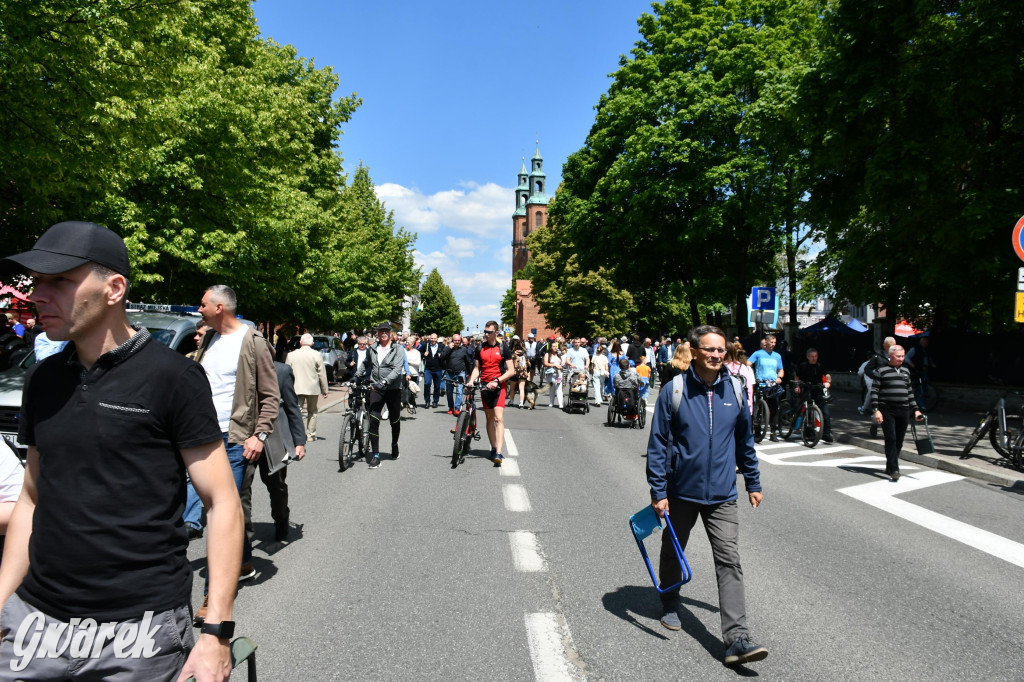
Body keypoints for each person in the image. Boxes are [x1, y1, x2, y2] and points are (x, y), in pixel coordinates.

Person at [0, 221, 243, 680]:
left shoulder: (175, 377)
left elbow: (221, 502)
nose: (37, 295)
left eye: (59, 282)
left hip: (140, 631)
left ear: (114, 288)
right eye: (37, 283)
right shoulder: (42, 379)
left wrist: (216, 632)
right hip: (35, 619)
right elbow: (32, 499)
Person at [646, 325, 767, 667]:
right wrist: (658, 490)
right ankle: (669, 601)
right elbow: (658, 445)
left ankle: (737, 638)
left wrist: (753, 482)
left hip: (723, 494)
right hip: (681, 490)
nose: (716, 355)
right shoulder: (676, 389)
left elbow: (745, 441)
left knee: (729, 560)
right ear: (695, 351)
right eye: (709, 350)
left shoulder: (736, 389)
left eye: (720, 350)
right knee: (673, 550)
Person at [192, 284, 279, 615]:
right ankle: (242, 562)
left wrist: (259, 434)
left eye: (202, 304)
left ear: (219, 308)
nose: (198, 309)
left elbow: (271, 396)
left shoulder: (253, 342)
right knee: (231, 511)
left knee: (222, 513)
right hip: (201, 437)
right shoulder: (209, 340)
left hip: (236, 439)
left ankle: (213, 596)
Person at [241, 356, 306, 545]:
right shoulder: (235, 370)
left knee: (276, 486)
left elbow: (292, 407)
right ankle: (244, 540)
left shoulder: (282, 371)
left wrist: (299, 441)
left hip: (275, 439)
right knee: (242, 488)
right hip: (243, 439)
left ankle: (281, 518)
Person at [352, 322, 407, 469]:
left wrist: (385, 381)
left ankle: (394, 444)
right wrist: (356, 375)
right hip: (376, 388)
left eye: (386, 331)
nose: (383, 333)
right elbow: (365, 363)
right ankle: (376, 455)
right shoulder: (373, 348)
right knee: (374, 419)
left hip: (393, 389)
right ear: (377, 333)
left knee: (395, 420)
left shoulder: (397, 349)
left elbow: (397, 369)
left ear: (391, 333)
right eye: (381, 330)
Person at [871, 345, 924, 481]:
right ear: (890, 356)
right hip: (887, 410)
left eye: (902, 356)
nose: (901, 359)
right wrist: (876, 410)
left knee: (899, 441)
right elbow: (875, 392)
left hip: (904, 410)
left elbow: (910, 393)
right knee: (891, 438)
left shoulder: (906, 371)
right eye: (898, 356)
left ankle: (889, 466)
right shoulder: (881, 371)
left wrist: (916, 410)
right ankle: (895, 469)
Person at [468, 321, 515, 466]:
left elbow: (511, 371)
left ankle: (499, 452)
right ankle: (493, 447)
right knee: (489, 418)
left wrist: (497, 380)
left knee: (498, 418)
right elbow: (477, 369)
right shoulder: (479, 347)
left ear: (496, 332)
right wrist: (471, 381)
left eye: (489, 332)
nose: (486, 334)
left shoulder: (503, 347)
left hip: (498, 386)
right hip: (484, 386)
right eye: (485, 332)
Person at [286, 333, 329, 442]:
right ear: (313, 344)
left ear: (300, 342)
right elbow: (322, 374)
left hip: (296, 387)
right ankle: (310, 435)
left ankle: (296, 435)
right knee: (312, 412)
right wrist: (325, 389)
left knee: (297, 412)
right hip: (312, 387)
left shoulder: (291, 355)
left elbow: (286, 373)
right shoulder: (317, 355)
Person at [748, 334, 784, 441]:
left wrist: (779, 377)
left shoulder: (777, 356)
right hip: (761, 383)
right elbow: (748, 363)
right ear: (766, 342)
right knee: (759, 409)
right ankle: (757, 430)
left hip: (773, 384)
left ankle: (773, 432)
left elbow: (780, 369)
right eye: (771, 342)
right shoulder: (758, 354)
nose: (773, 344)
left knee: (774, 408)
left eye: (774, 343)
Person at [794, 348, 834, 442]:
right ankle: (807, 430)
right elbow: (797, 377)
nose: (814, 358)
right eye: (812, 356)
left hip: (818, 390)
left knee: (826, 413)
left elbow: (827, 375)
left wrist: (828, 382)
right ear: (808, 357)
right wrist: (797, 386)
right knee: (804, 410)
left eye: (815, 356)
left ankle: (826, 433)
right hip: (806, 390)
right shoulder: (802, 366)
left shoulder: (820, 366)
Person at [860, 336, 896, 437]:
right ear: (884, 346)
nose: (891, 348)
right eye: (889, 346)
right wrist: (876, 377)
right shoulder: (878, 356)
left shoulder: (896, 356)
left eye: (893, 346)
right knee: (881, 410)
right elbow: (867, 369)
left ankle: (891, 431)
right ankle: (874, 424)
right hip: (881, 387)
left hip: (892, 388)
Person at [439, 333, 473, 416]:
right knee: (449, 392)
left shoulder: (464, 349)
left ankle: (457, 408)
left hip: (460, 373)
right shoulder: (448, 348)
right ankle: (451, 407)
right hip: (449, 373)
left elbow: (468, 362)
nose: (457, 342)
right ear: (452, 341)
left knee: (459, 391)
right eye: (455, 340)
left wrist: (469, 373)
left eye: (458, 340)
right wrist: (448, 349)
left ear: (460, 341)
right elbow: (441, 357)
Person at [724, 342, 755, 414]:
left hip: (726, 403)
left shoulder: (721, 367)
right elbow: (749, 388)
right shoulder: (743, 366)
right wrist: (750, 407)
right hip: (742, 402)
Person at [509, 337, 530, 409]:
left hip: (514, 373)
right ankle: (521, 403)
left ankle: (511, 401)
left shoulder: (513, 354)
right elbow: (528, 364)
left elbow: (510, 364)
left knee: (512, 388)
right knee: (521, 388)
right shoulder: (525, 355)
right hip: (523, 373)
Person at [544, 341, 564, 408]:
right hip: (551, 373)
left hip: (559, 374)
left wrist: (561, 364)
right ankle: (551, 402)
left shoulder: (559, 354)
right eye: (553, 346)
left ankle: (560, 403)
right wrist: (554, 365)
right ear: (550, 347)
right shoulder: (547, 354)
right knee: (552, 388)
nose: (555, 348)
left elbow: (562, 362)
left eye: (556, 346)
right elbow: (545, 363)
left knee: (559, 388)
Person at [404, 338, 422, 411]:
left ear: (412, 344)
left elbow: (418, 363)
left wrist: (408, 361)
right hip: (404, 373)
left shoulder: (417, 352)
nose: (406, 344)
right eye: (406, 342)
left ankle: (411, 403)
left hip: (413, 373)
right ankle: (406, 402)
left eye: (408, 342)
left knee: (412, 390)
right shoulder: (404, 351)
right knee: (405, 389)